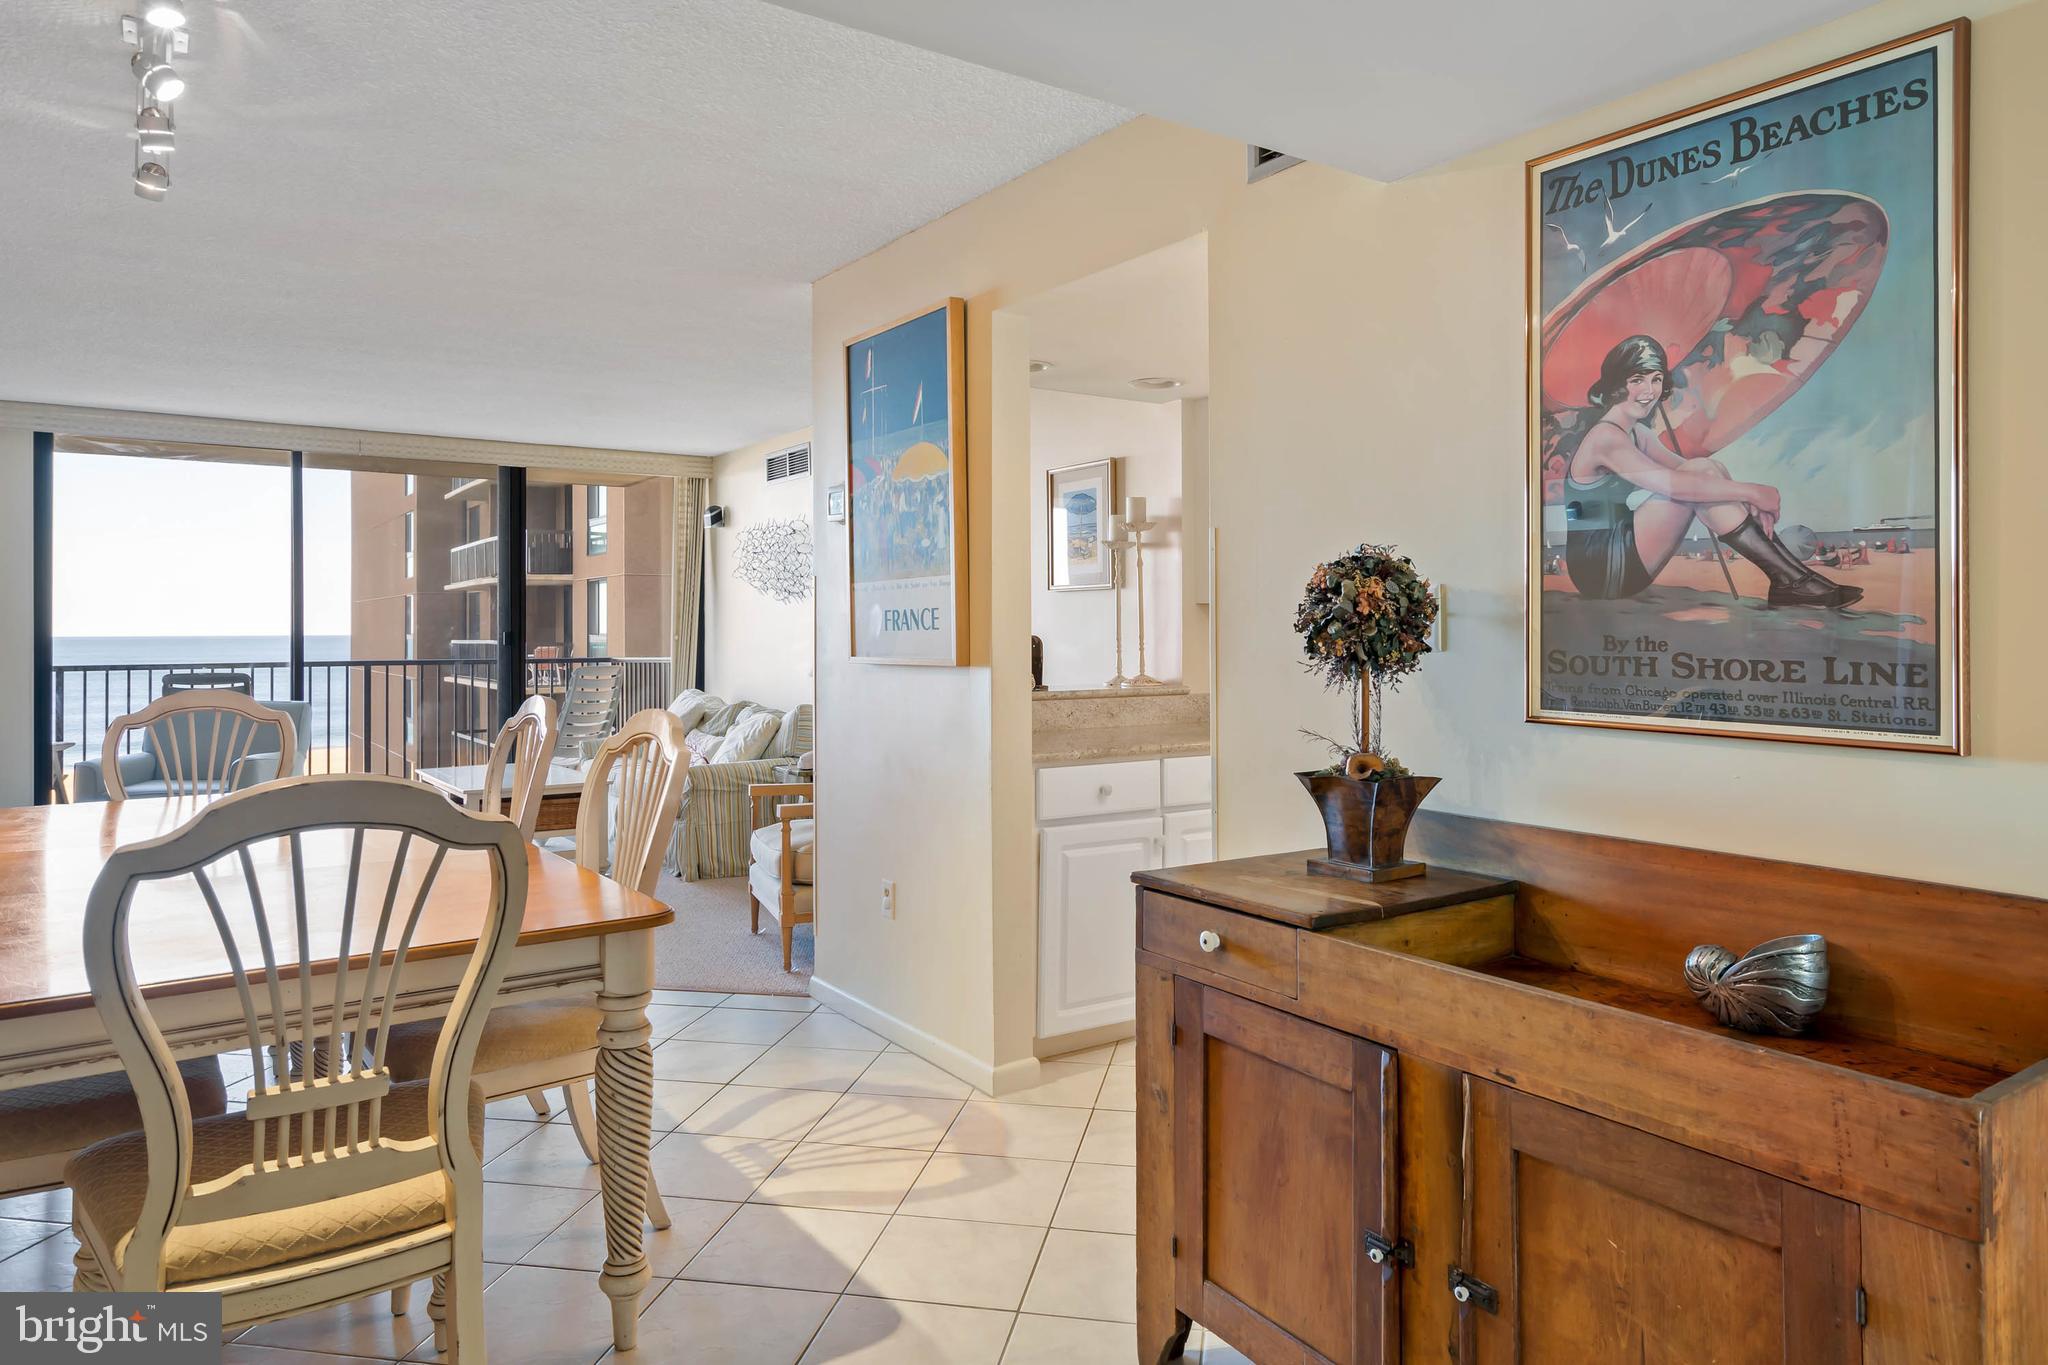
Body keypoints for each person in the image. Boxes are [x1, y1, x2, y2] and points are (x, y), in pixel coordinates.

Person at [1561, 335, 1861, 608]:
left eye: (1655, 380)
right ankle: (1791, 580)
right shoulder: (1605, 438)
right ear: (1616, 383)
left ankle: (1791, 578)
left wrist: (1750, 502)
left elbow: (1700, 473)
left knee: (1708, 468)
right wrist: (1754, 492)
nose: (1649, 391)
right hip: (1600, 566)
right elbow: (1677, 486)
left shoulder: (1638, 434)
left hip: (1623, 548)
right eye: (1637, 380)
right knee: (1700, 477)